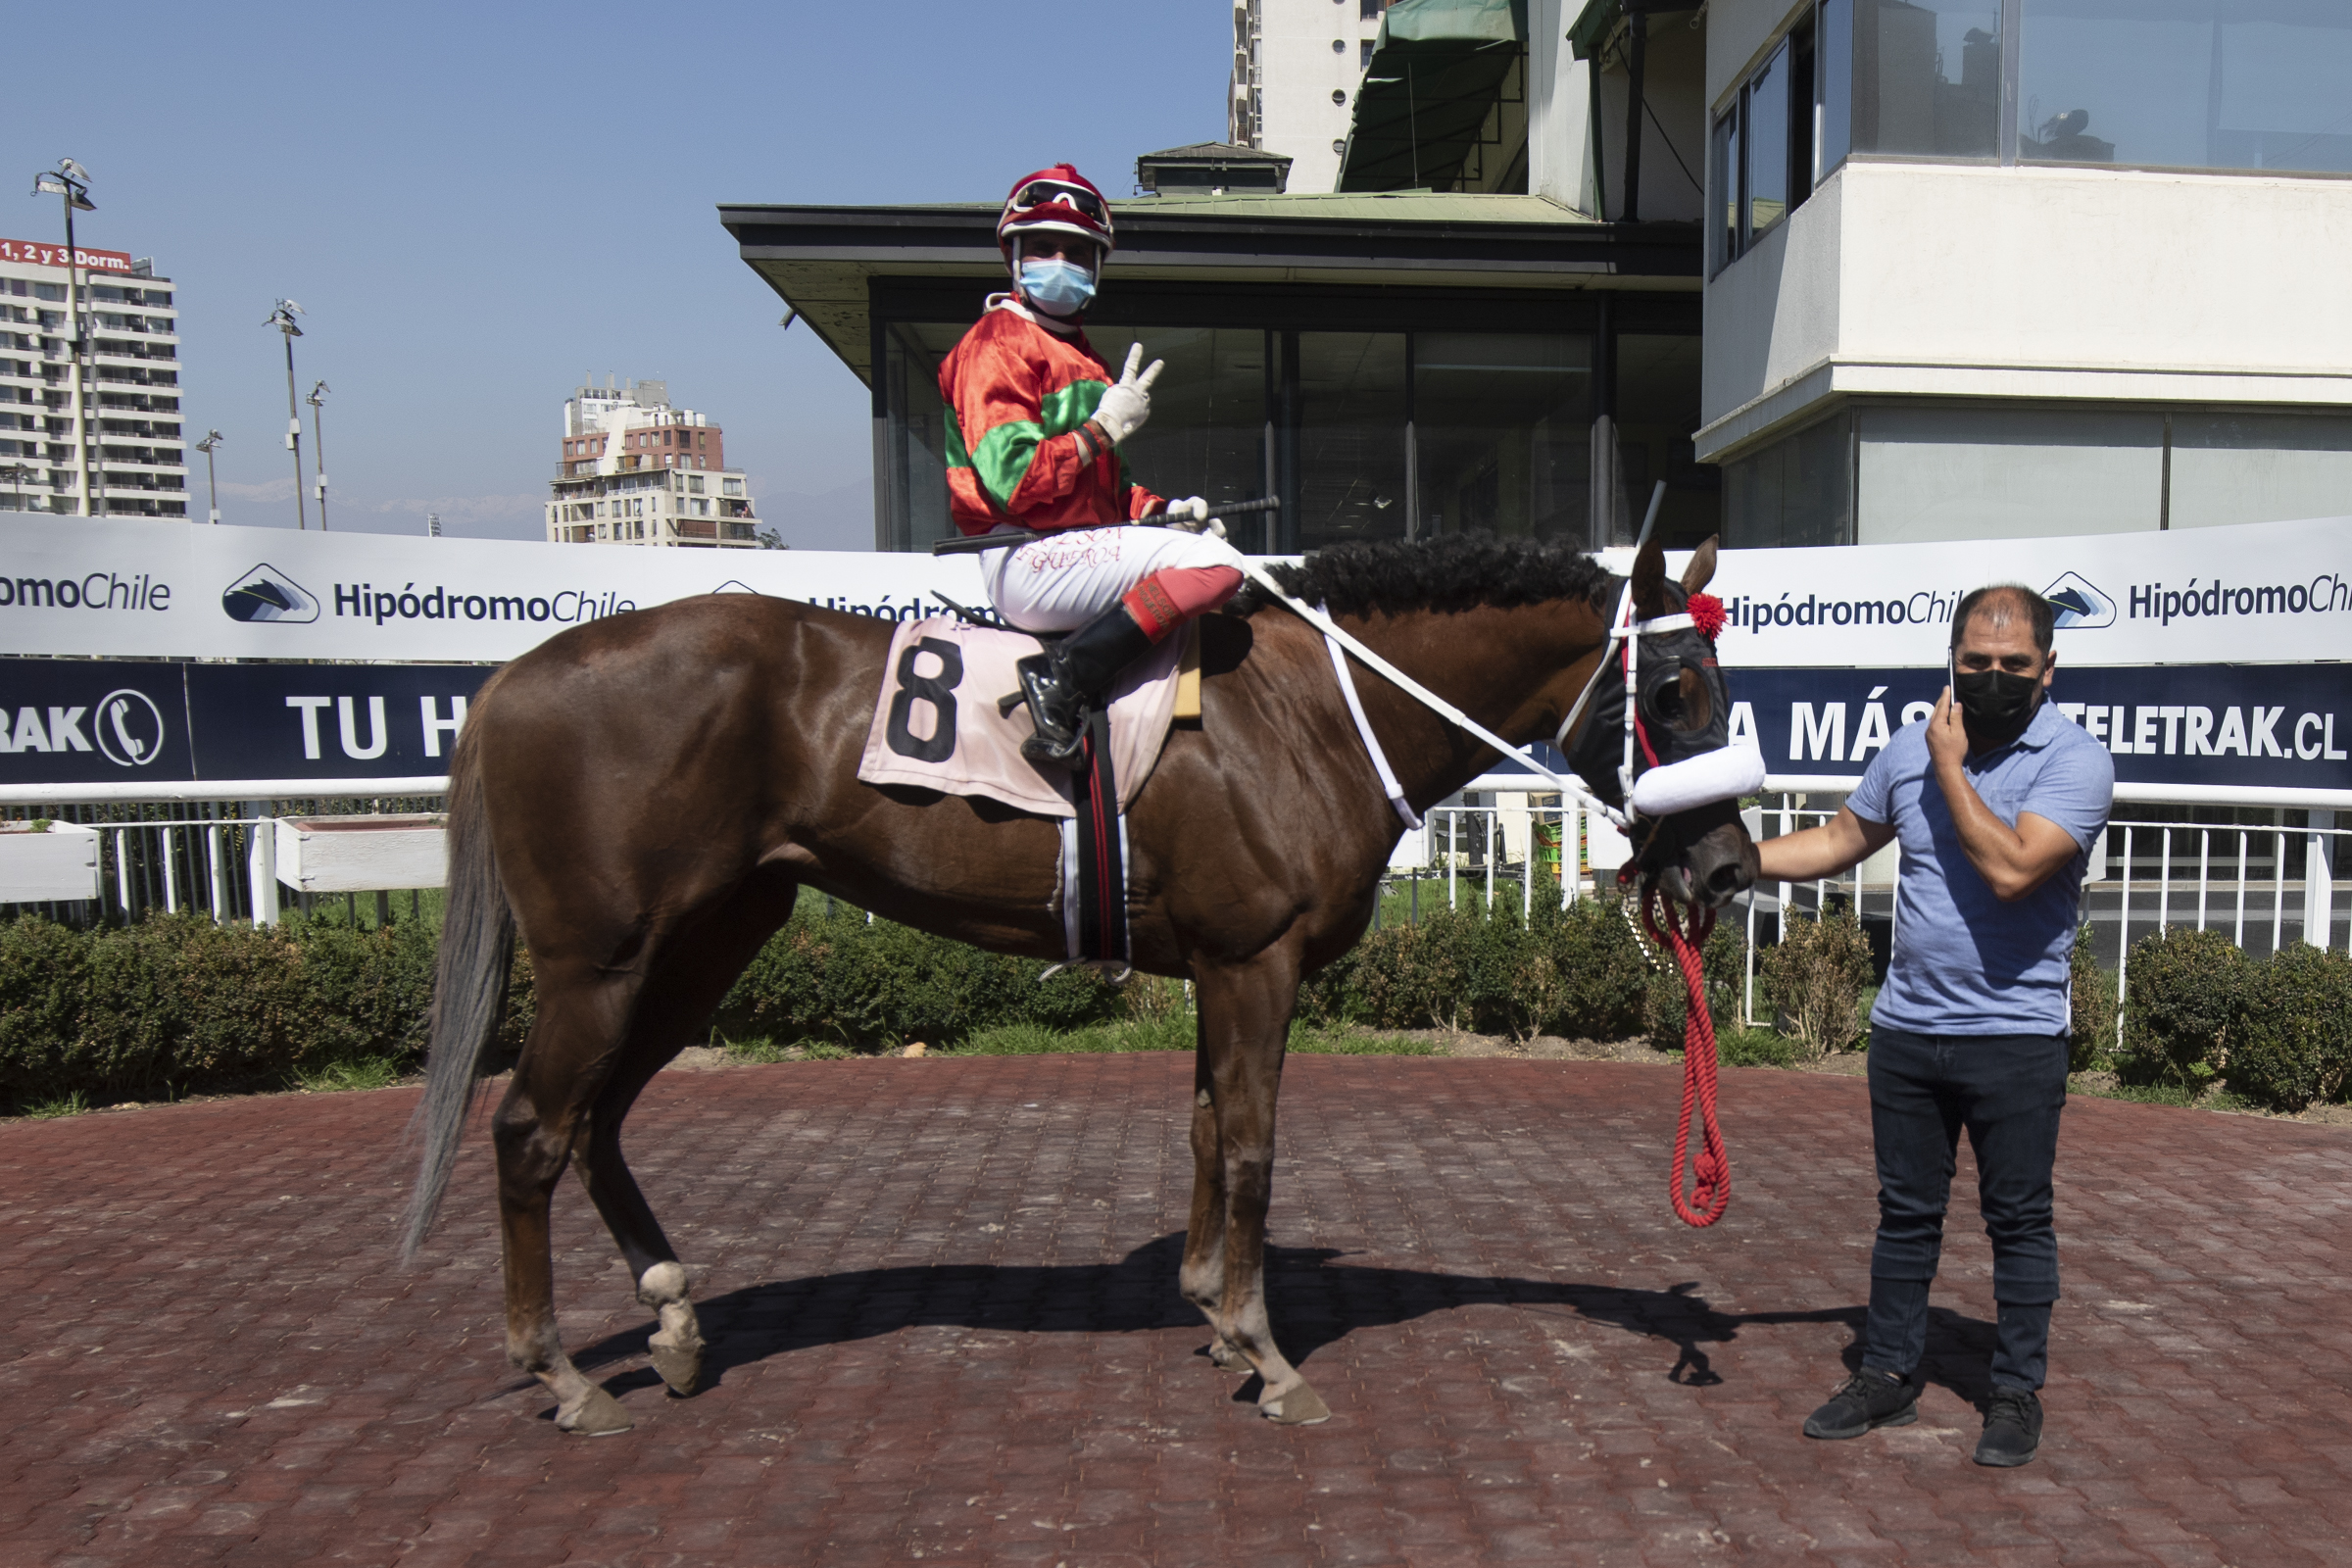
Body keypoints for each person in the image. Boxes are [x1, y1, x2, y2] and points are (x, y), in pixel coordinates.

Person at [1761, 584, 2113, 1468]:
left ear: (2048, 669)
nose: (1993, 678)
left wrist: (1948, 765)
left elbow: (2014, 869)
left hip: (2016, 1037)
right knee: (1906, 1217)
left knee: (2018, 1220)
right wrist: (1729, 861)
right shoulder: (1903, 752)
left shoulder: (2076, 761)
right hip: (1908, 1032)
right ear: (1950, 661)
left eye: (2014, 665)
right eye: (1975, 663)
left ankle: (2015, 1392)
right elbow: (1838, 839)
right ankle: (1886, 1375)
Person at [938, 164, 1249, 763]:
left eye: (1078, 252)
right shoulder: (995, 342)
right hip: (1023, 553)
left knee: (1201, 550)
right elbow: (1014, 483)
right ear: (1014, 258)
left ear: (1098, 267)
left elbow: (1111, 491)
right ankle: (1062, 680)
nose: (1061, 261)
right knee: (1218, 565)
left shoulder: (1087, 361)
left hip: (1073, 550)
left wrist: (1165, 512)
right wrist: (1101, 430)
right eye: (1044, 247)